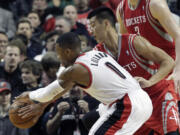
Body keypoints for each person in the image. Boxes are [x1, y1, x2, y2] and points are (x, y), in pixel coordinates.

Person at [16, 32, 153, 135]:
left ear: (68, 52)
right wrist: (42, 106)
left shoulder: (76, 70)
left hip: (127, 105)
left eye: (59, 54)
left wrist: (30, 95)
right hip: (138, 100)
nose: (58, 58)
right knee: (89, 119)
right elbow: (62, 89)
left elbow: (49, 92)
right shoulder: (95, 53)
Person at [87, 7, 179, 135]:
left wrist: (149, 82)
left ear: (106, 23)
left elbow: (168, 61)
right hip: (134, 105)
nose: (90, 31)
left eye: (93, 25)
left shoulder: (133, 42)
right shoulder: (96, 55)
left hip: (158, 96)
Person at [116, 0, 180, 103]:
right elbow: (124, 46)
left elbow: (178, 36)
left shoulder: (155, 4)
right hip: (149, 75)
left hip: (170, 66)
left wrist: (178, 70)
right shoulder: (121, 10)